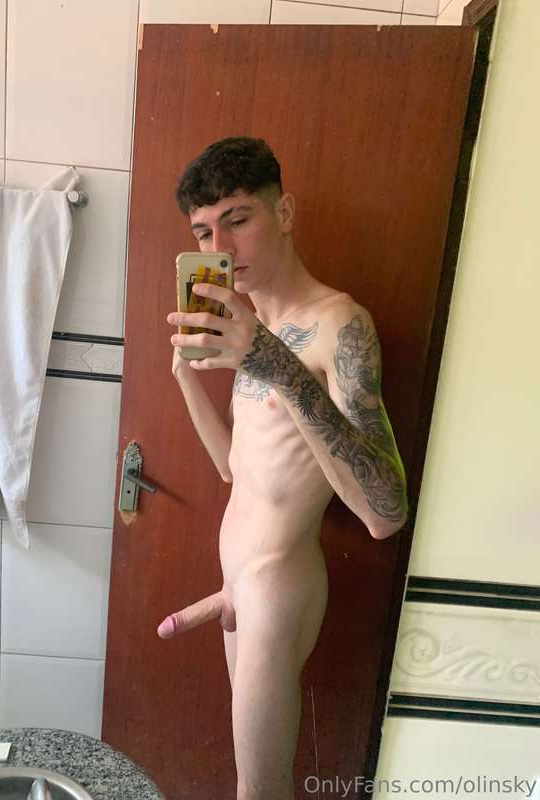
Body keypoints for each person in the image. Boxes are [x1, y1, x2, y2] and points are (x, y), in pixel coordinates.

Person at [157, 137, 408, 800]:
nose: (221, 246)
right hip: (236, 581)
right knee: (253, 782)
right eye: (204, 232)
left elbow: (385, 513)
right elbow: (235, 471)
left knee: (260, 789)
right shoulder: (251, 326)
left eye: (238, 219)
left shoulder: (339, 325)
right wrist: (185, 378)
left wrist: (274, 364)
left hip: (276, 586)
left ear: (286, 213)